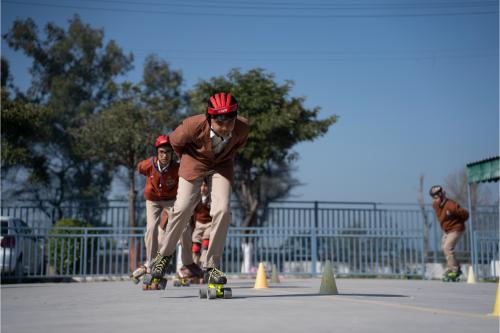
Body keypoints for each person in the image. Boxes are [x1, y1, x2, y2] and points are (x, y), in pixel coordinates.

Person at [150, 92, 249, 285]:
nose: (225, 126)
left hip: (222, 165)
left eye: (230, 120)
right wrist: (190, 162)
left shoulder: (243, 127)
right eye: (220, 122)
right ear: (209, 117)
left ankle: (211, 266)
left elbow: (238, 145)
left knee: (223, 210)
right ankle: (163, 257)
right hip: (194, 162)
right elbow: (175, 143)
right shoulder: (191, 126)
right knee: (182, 208)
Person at [132, 135, 201, 287]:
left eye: (168, 152)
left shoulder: (177, 168)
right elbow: (139, 168)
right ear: (157, 152)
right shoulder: (148, 165)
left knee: (184, 228)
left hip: (171, 200)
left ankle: (188, 262)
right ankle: (151, 264)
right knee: (151, 229)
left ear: (172, 154)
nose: (165, 155)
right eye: (162, 152)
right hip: (153, 200)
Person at [429, 185, 469, 281]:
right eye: (434, 198)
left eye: (437, 197)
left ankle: (454, 270)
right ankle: (455, 267)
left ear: (442, 195)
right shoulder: (435, 205)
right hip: (447, 230)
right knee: (444, 247)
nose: (435, 200)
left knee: (448, 247)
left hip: (456, 229)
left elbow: (466, 214)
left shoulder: (451, 205)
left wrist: (459, 221)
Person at [191, 179, 213, 268]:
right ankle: (195, 266)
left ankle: (204, 265)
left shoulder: (211, 198)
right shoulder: (197, 198)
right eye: (202, 185)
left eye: (205, 186)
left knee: (206, 244)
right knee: (195, 246)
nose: (203, 188)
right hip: (198, 224)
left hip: (209, 223)